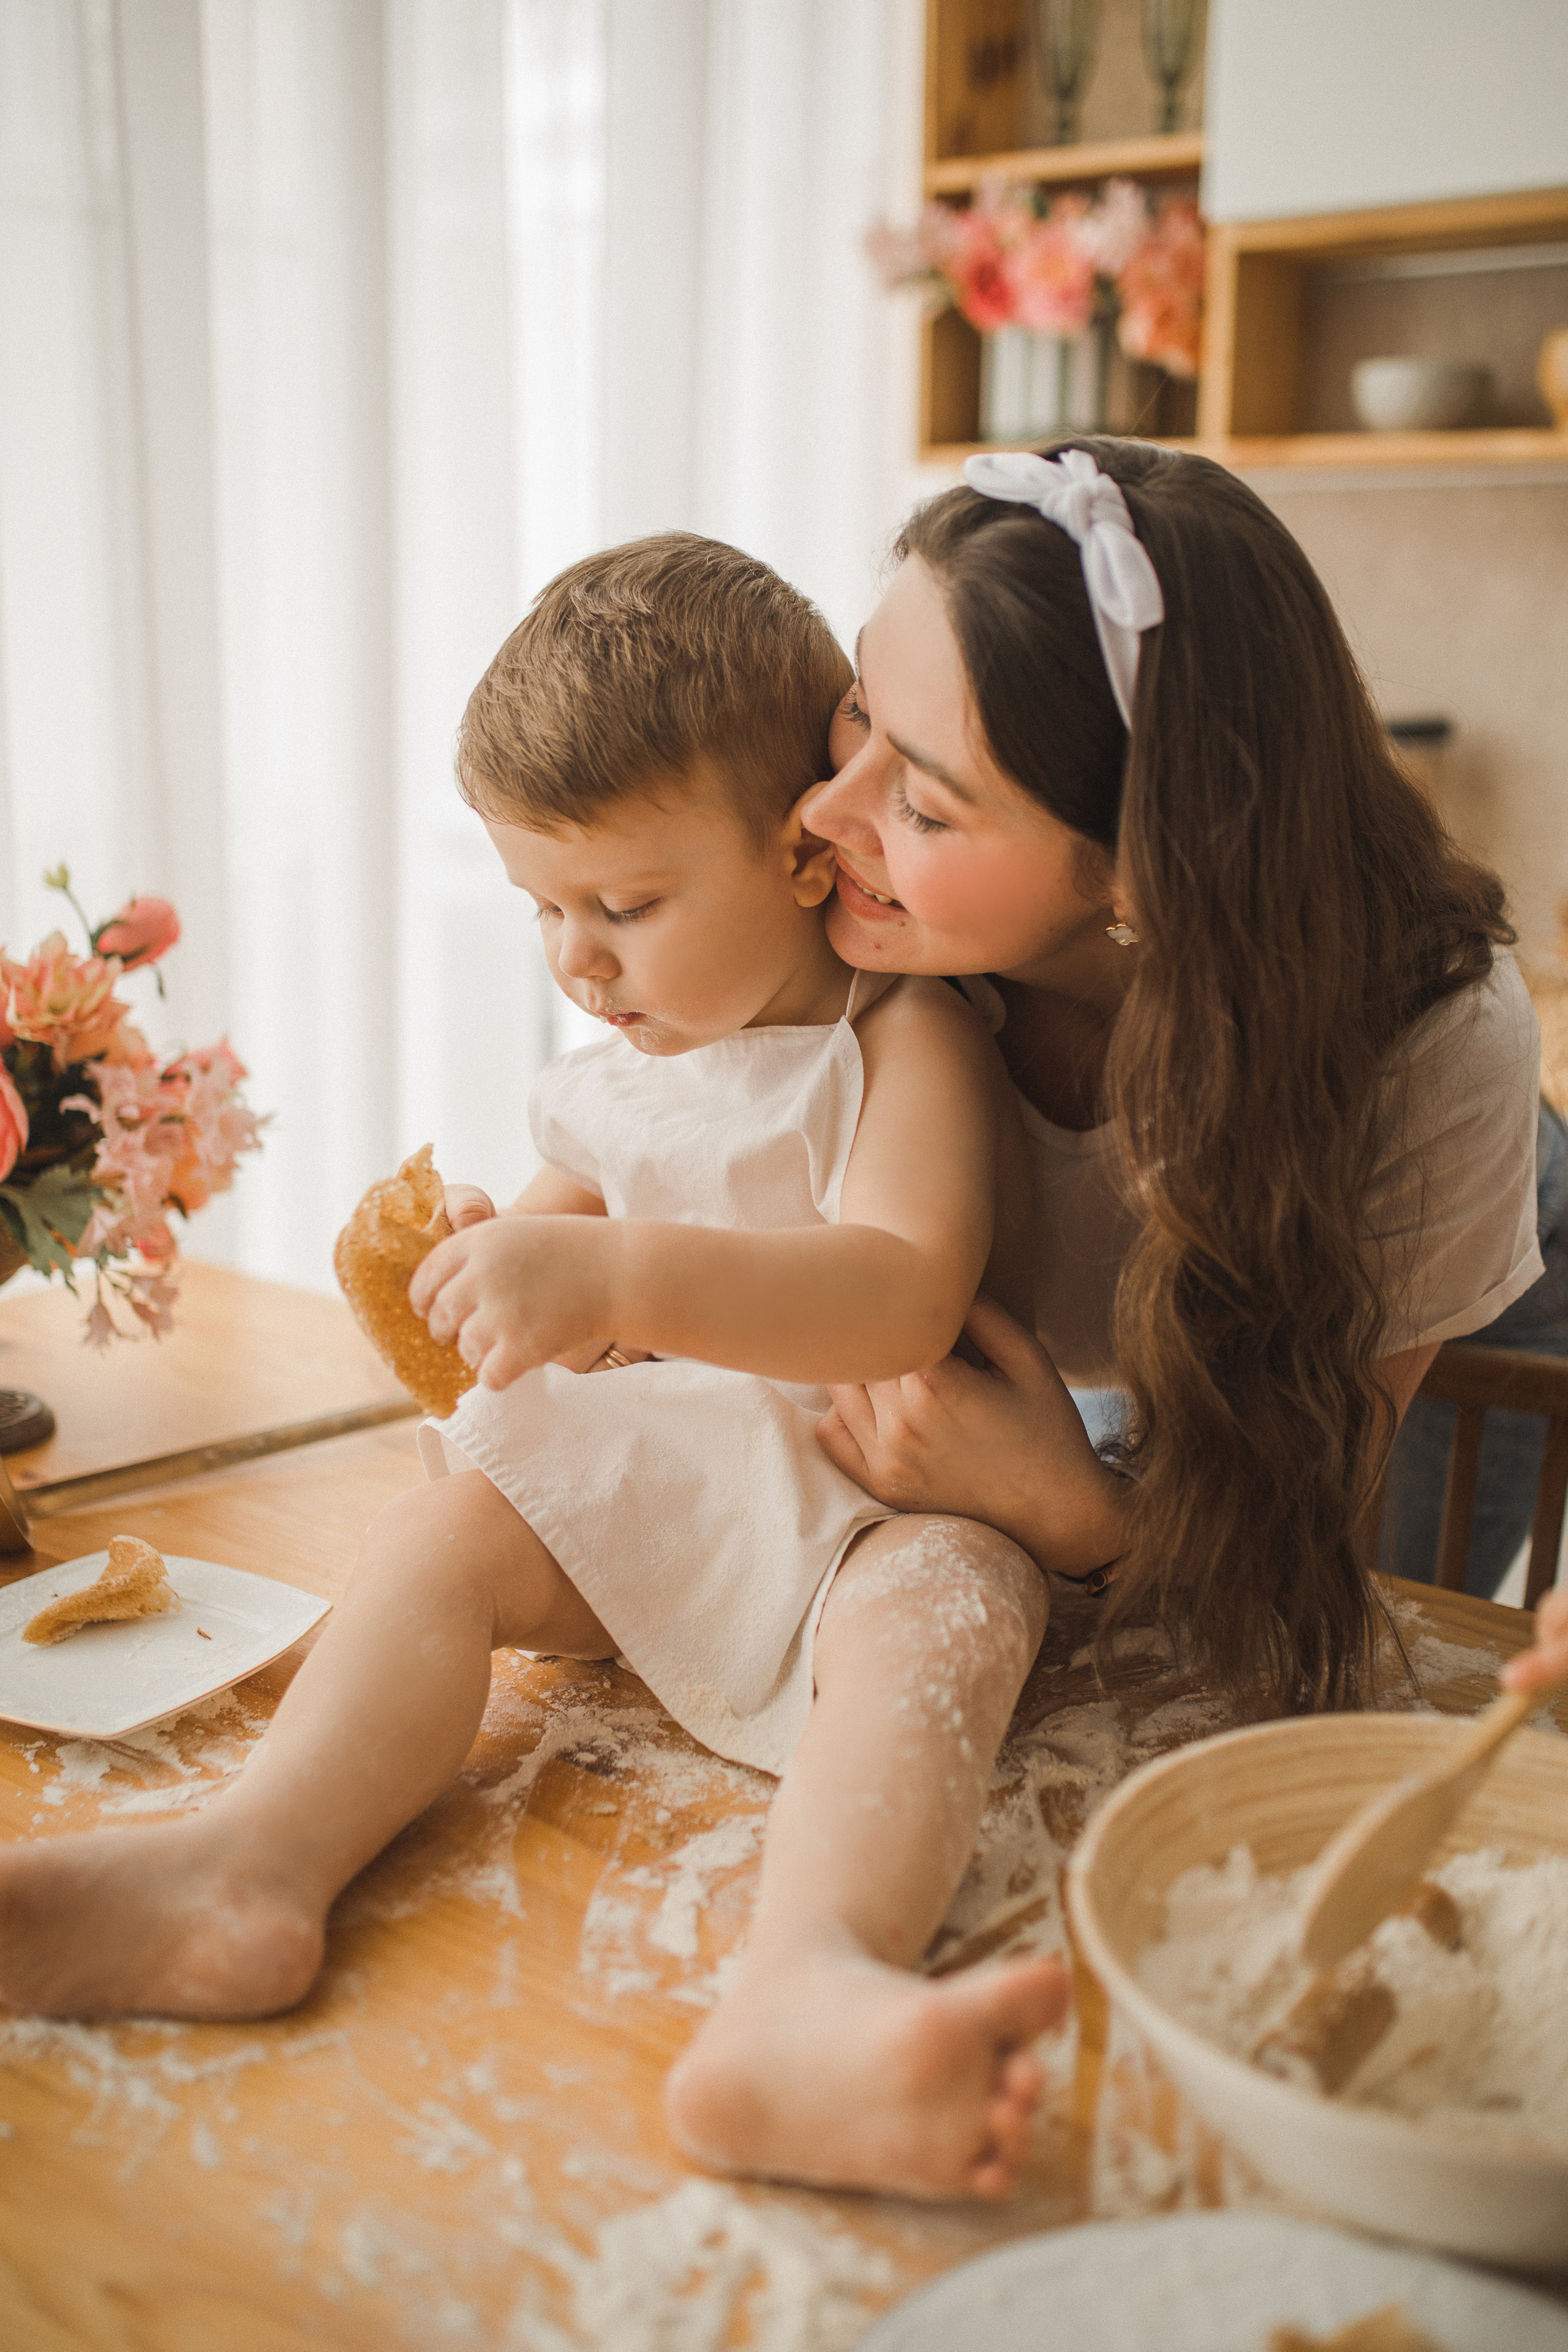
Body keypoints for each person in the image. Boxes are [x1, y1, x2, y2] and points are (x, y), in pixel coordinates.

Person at [0, 533, 1067, 2204]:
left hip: (866, 1493)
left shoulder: (899, 1038)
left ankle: (807, 1989)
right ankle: (244, 1871)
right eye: (545, 910)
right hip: (672, 1490)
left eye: (627, 907)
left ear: (805, 855)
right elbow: (559, 1298)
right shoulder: (612, 1077)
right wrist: (499, 1270)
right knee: (440, 1532)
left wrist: (618, 1268)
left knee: (948, 1616)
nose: (579, 961)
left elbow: (899, 1299)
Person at [802, 441, 1543, 1713]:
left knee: (1323, 1670)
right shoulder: (870, 919)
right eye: (861, 707)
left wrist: (1078, 1511)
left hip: (1414, 1283)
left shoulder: (1430, 1042)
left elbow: (1290, 1540)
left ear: (1139, 870)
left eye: (922, 805)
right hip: (1128, 1319)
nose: (822, 810)